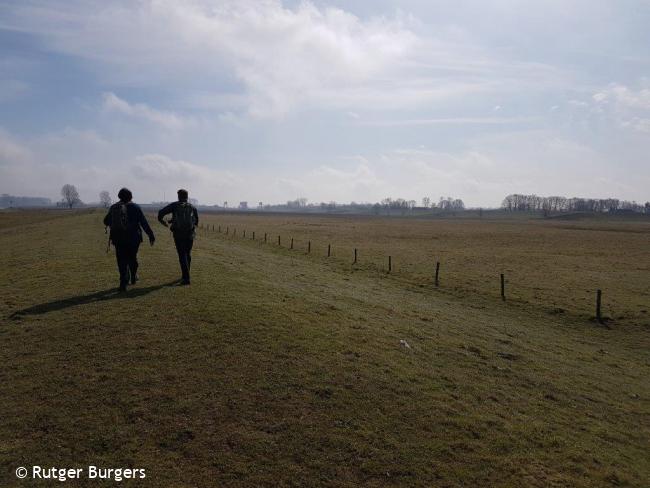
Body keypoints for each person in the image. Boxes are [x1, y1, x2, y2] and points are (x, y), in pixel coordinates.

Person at [103, 188, 155, 291]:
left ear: (119, 196)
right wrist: (150, 234)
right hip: (133, 238)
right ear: (130, 197)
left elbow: (105, 221)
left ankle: (123, 283)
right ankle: (133, 277)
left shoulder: (114, 207)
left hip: (118, 238)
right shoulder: (135, 207)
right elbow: (143, 222)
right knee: (132, 258)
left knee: (121, 260)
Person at [157, 189, 198, 285]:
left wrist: (162, 221)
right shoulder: (192, 207)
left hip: (178, 234)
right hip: (190, 234)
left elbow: (161, 212)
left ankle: (186, 278)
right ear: (187, 197)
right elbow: (196, 221)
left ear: (179, 196)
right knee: (187, 254)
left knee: (182, 254)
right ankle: (186, 275)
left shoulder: (174, 205)